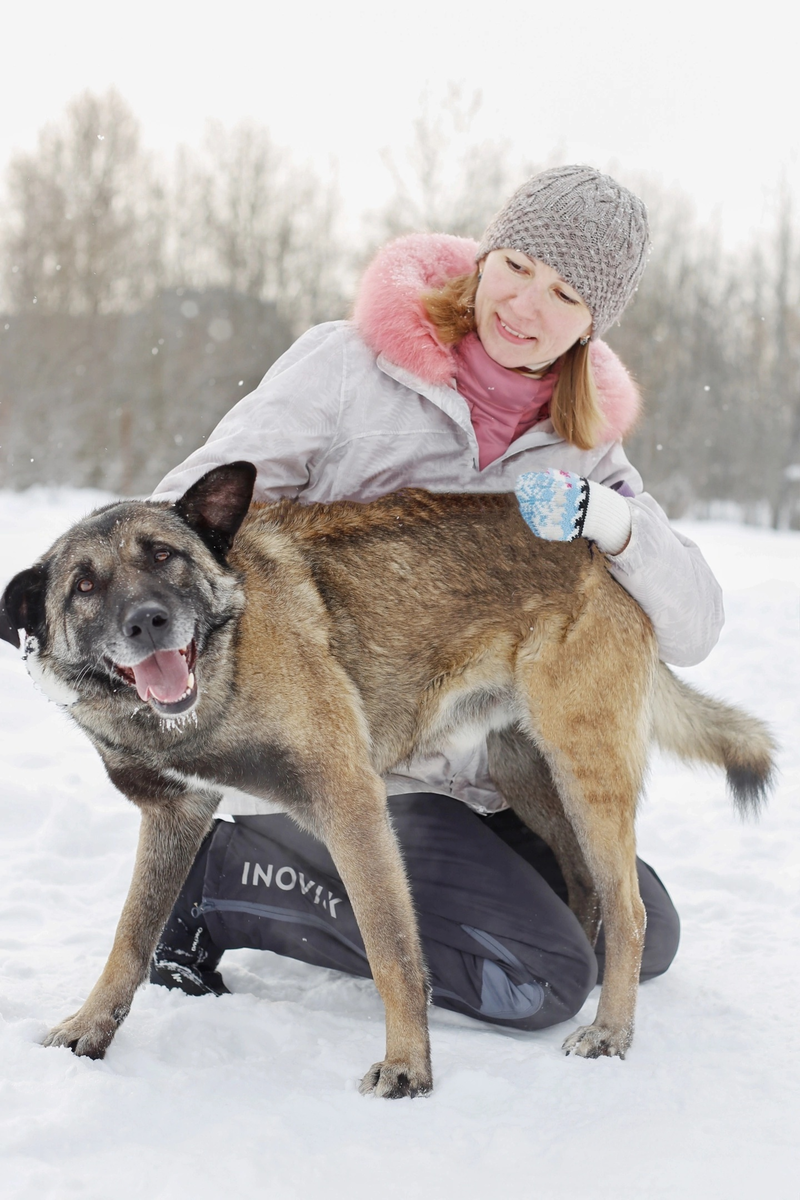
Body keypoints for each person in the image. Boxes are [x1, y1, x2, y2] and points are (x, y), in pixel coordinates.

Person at [147, 165, 721, 1032]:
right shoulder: (347, 368)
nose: (525, 308)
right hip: (349, 761)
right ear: (485, 256)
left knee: (644, 938)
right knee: (538, 980)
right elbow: (180, 525)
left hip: (483, 780)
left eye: (565, 295)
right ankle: (223, 879)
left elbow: (695, 627)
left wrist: (616, 523)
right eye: (518, 266)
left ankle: (457, 877)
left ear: (592, 327)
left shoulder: (582, 452)